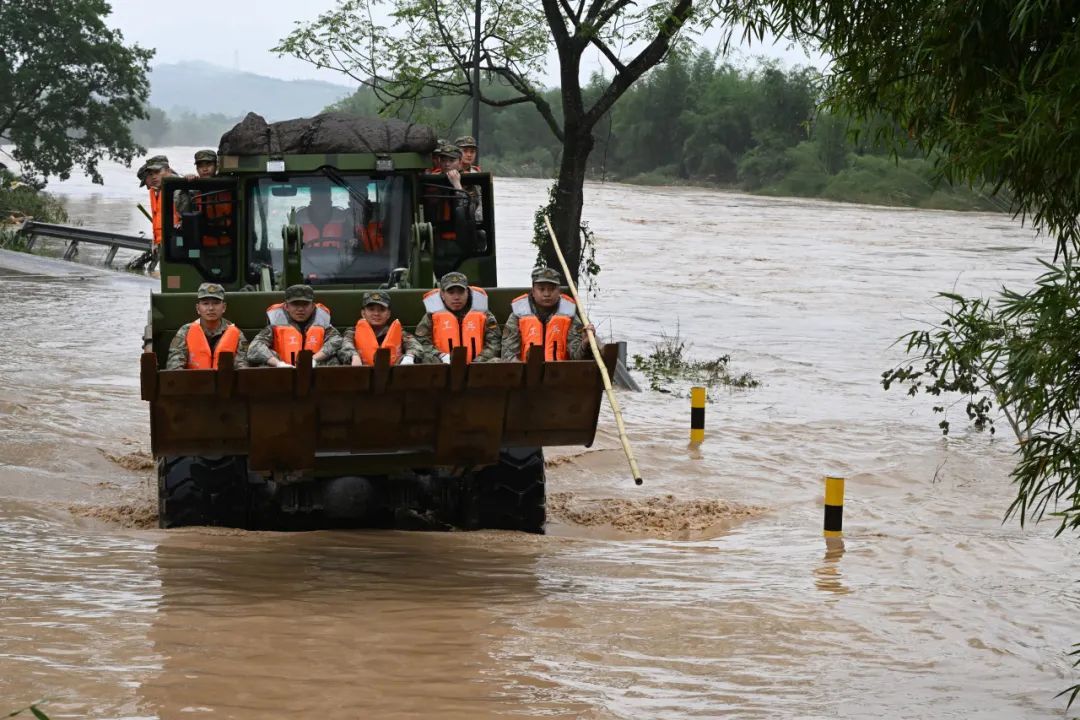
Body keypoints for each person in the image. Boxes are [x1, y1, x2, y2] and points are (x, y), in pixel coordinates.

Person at [502, 267, 594, 362]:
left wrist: (584, 343)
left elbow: (576, 357)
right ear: (533, 291)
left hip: (560, 372)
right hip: (526, 371)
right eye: (541, 289)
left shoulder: (569, 315)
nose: (547, 294)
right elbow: (508, 355)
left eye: (552, 289)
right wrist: (524, 372)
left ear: (559, 291)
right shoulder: (518, 315)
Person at [413, 271, 500, 363]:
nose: (456, 297)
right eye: (451, 293)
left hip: (478, 367)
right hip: (443, 365)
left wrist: (479, 361)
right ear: (442, 294)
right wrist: (440, 356)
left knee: (496, 362)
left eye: (461, 292)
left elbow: (494, 342)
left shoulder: (483, 314)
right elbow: (421, 341)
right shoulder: (432, 315)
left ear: (467, 292)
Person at [247, 284, 341, 367]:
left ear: (312, 306)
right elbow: (255, 347)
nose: (300, 309)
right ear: (287, 307)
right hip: (282, 371)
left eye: (305, 304)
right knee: (263, 364)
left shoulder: (322, 322)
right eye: (295, 304)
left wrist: (314, 359)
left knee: (333, 360)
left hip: (315, 370)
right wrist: (278, 364)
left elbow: (337, 341)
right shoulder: (275, 324)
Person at [165, 283, 249, 370]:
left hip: (226, 380)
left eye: (216, 303)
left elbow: (242, 365)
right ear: (198, 308)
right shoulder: (186, 331)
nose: (211, 308)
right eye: (205, 304)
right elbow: (174, 364)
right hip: (192, 380)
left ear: (223, 307)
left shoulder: (236, 333)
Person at [339, 291, 419, 366]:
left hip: (393, 373)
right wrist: (354, 356)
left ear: (388, 314)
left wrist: (409, 356)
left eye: (382, 310)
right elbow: (346, 345)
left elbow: (414, 345)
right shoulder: (353, 332)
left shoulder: (397, 332)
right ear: (363, 313)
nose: (376, 313)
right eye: (371, 309)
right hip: (362, 372)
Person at [295, 182, 350, 248]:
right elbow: (293, 246)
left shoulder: (342, 218)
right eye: (318, 201)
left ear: (330, 202)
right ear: (311, 202)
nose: (321, 205)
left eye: (324, 201)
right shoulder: (300, 219)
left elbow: (350, 244)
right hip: (305, 258)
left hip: (339, 258)